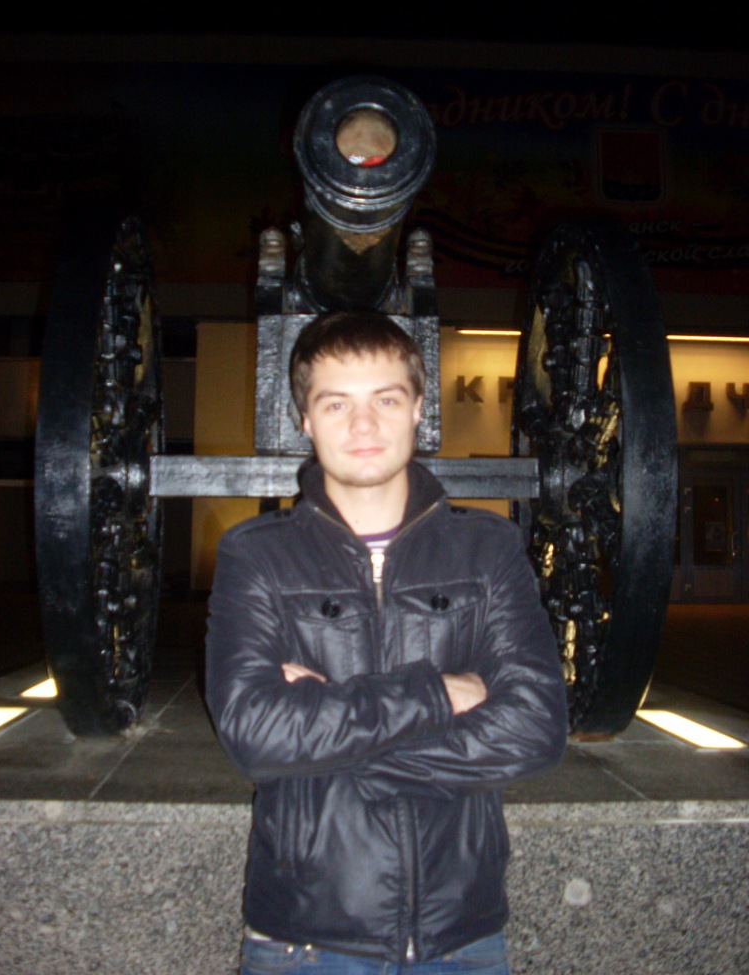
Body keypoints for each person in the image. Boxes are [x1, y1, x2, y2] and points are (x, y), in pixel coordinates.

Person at [206, 312, 567, 975]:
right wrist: (438, 694)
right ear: (305, 420)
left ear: (419, 410)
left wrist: (348, 754)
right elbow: (254, 732)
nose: (363, 426)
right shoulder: (256, 557)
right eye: (336, 404)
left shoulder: (487, 550)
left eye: (386, 400)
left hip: (460, 936)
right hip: (306, 936)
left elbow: (538, 725)